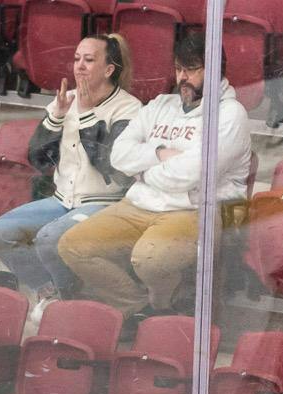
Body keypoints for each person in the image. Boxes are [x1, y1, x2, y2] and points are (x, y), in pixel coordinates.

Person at [55, 31, 253, 320]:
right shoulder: (161, 104)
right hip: (138, 205)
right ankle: (139, 306)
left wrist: (143, 173)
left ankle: (161, 304)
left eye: (192, 69)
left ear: (214, 71)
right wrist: (160, 153)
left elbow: (192, 174)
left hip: (194, 211)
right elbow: (118, 155)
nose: (182, 77)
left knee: (148, 259)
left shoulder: (230, 114)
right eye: (178, 69)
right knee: (72, 246)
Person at [0, 36, 141, 312]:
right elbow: (37, 159)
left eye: (89, 60)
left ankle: (67, 301)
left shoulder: (129, 108)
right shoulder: (66, 100)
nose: (79, 66)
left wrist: (86, 114)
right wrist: (56, 116)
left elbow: (110, 166)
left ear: (109, 69)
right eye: (77, 58)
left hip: (105, 203)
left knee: (50, 238)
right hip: (61, 200)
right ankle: (50, 292)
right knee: (0, 231)